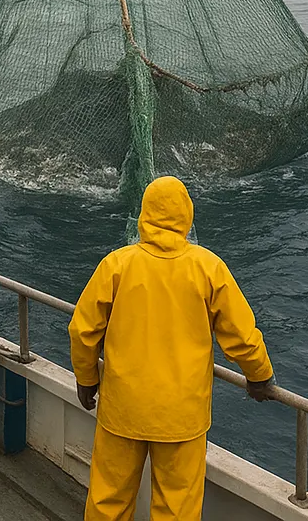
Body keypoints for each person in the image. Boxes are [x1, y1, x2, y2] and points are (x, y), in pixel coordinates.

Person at [68, 175, 277, 521]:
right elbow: (241, 334)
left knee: (108, 500)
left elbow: (83, 330)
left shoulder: (116, 265)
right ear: (187, 216)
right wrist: (259, 376)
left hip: (123, 410)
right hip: (182, 418)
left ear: (144, 213)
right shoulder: (209, 268)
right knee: (177, 508)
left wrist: (86, 378)